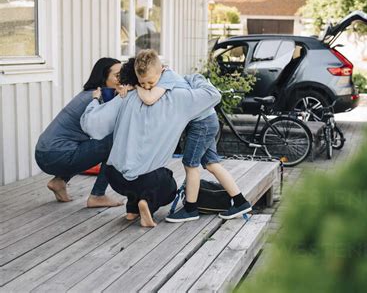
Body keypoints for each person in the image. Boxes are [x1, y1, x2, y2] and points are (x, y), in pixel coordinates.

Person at [80, 55, 221, 228]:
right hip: (144, 178)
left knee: (132, 172)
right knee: (167, 182)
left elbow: (92, 124)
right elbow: (213, 95)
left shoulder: (125, 96)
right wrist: (195, 79)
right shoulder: (178, 98)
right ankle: (147, 204)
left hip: (113, 176)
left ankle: (131, 210)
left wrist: (95, 101)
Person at [132, 49, 252, 223]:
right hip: (207, 120)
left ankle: (190, 209)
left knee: (190, 165)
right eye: (142, 83)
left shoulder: (168, 78)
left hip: (201, 124)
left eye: (150, 82)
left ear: (161, 70)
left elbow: (149, 99)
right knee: (212, 164)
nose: (147, 87)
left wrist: (135, 87)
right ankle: (240, 202)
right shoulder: (162, 77)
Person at [35, 58, 124, 207]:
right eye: (118, 75)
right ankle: (98, 195)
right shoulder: (98, 98)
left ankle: (59, 181)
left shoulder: (91, 93)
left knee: (85, 143)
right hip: (57, 155)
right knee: (116, 141)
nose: (122, 79)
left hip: (43, 153)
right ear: (103, 78)